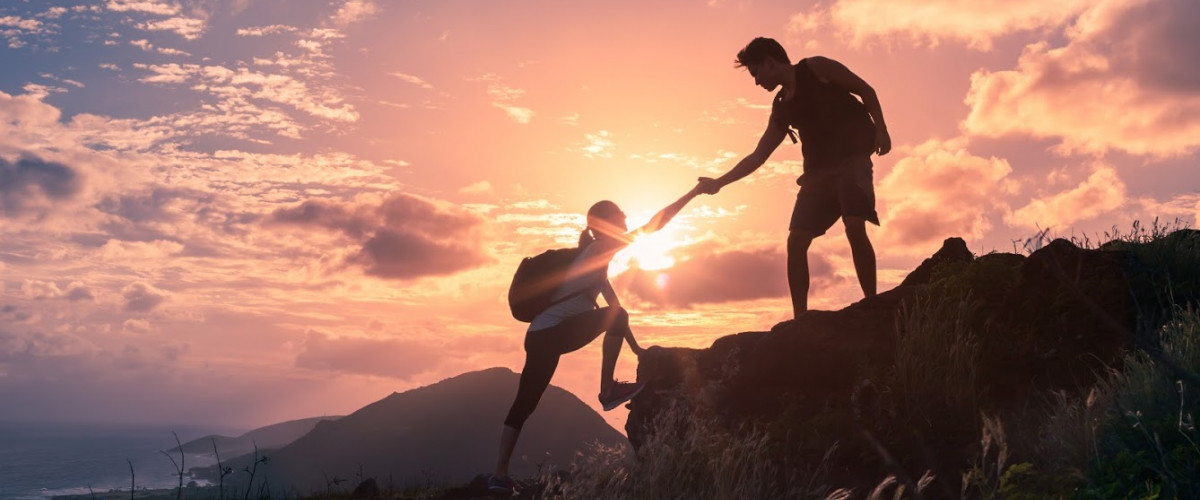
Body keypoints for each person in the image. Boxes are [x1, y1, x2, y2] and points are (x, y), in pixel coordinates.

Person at [489, 185, 704, 495]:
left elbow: (615, 309)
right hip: (552, 334)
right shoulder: (601, 248)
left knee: (524, 404)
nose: (626, 216)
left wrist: (634, 347)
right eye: (620, 213)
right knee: (528, 401)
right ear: (605, 223)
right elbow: (654, 226)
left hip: (539, 335)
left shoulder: (593, 260)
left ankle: (498, 475)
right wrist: (693, 193)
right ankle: (607, 390)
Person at [697, 37, 892, 320]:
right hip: (817, 176)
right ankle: (800, 320)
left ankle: (872, 304)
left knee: (853, 224)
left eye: (756, 73)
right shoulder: (781, 107)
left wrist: (882, 130)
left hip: (852, 161)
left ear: (769, 62)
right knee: (796, 241)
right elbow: (758, 155)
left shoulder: (816, 68)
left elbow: (865, 90)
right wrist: (719, 182)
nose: (756, 82)